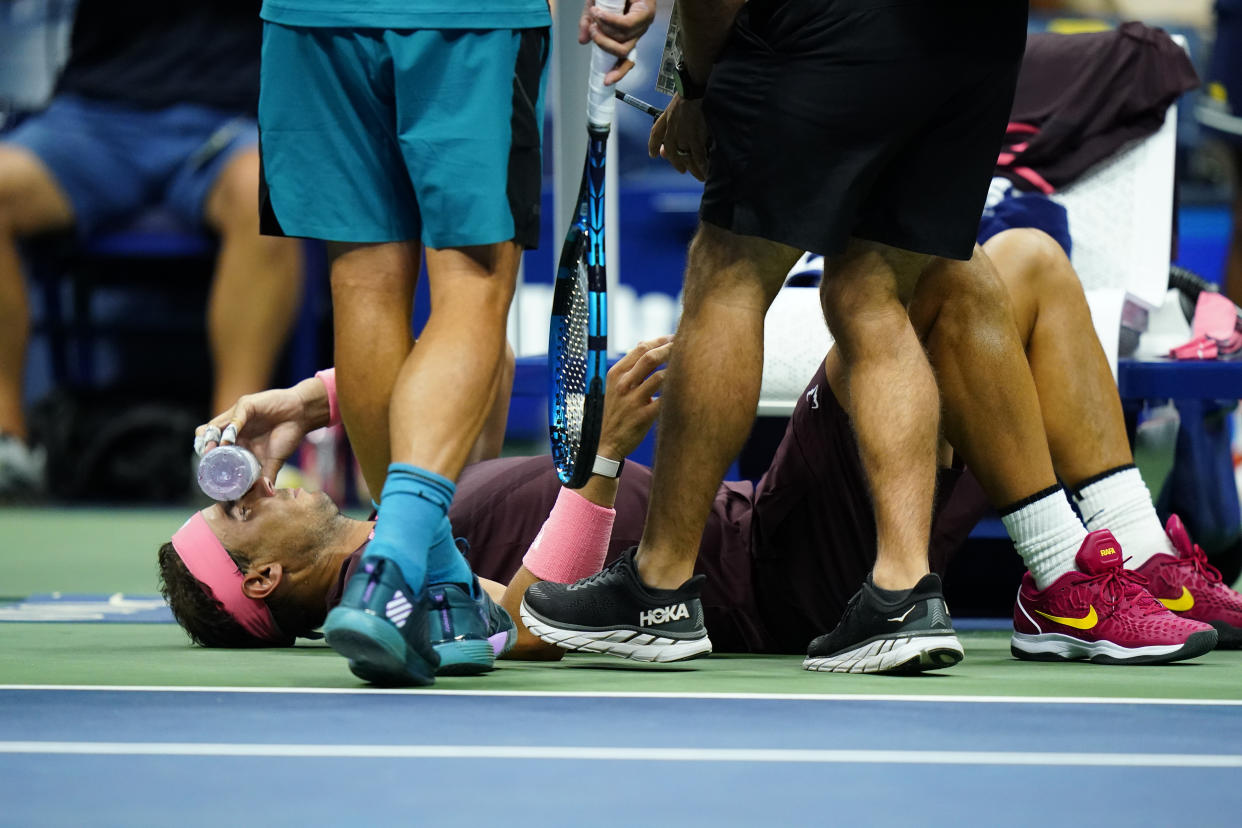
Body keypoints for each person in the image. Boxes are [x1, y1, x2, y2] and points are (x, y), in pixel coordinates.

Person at [163, 231, 1240, 666]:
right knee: (959, 277)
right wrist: (595, 468)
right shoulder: (399, 597)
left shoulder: (403, 527)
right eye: (234, 509)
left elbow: (460, 398)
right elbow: (520, 630)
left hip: (755, 518)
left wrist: (309, 400)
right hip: (774, 573)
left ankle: (1139, 562)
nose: (246, 488)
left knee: (1025, 266)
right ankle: (1069, 583)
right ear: (264, 574)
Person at [247, 0, 658, 684]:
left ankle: (442, 594)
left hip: (311, 19)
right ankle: (389, 571)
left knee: (365, 283)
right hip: (467, 18)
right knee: (472, 283)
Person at [0, 0, 305, 498]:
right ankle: (8, 445)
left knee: (264, 196)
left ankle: (228, 446)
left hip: (228, 118)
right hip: (92, 119)